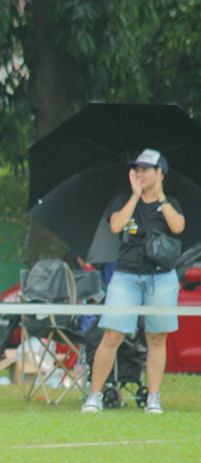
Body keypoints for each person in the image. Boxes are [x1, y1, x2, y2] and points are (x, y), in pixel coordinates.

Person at [81, 149, 185, 415]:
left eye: (146, 170)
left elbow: (178, 227)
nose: (140, 174)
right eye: (136, 169)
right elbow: (116, 226)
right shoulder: (123, 199)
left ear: (160, 173)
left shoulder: (170, 201)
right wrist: (136, 196)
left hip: (161, 277)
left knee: (156, 337)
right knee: (112, 334)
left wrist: (160, 198)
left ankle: (153, 397)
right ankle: (94, 395)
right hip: (126, 276)